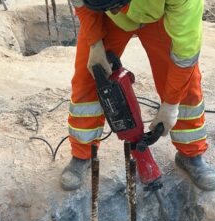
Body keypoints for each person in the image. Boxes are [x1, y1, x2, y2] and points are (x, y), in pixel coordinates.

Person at [60, 0, 215, 191]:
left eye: (117, 6)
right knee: (89, 76)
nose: (117, 11)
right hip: (105, 16)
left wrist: (171, 104)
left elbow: (185, 56)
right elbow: (80, 3)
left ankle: (191, 153)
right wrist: (94, 43)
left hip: (162, 15)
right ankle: (83, 153)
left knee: (185, 85)